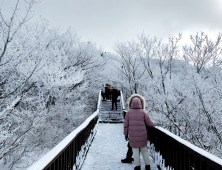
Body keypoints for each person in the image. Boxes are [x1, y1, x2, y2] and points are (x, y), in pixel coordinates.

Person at [124, 94, 160, 170]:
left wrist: (126, 134)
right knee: (144, 150)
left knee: (135, 150)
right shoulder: (143, 112)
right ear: (141, 103)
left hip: (133, 136)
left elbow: (126, 125)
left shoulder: (128, 112)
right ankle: (147, 165)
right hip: (142, 135)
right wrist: (156, 123)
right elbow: (149, 123)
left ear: (131, 103)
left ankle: (137, 166)